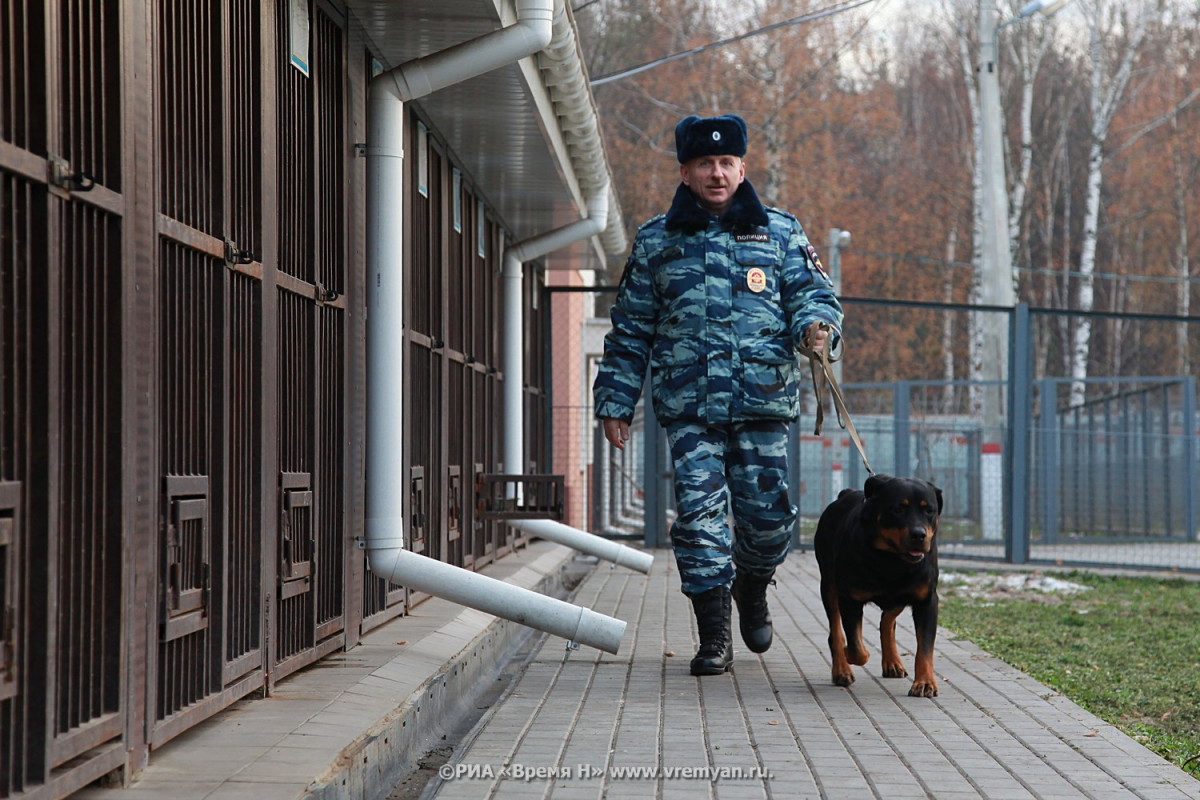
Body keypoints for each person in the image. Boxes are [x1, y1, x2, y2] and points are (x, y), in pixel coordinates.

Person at [593, 113, 843, 676]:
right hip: (690, 410)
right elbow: (632, 327)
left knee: (771, 521)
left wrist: (817, 330)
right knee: (700, 522)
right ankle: (713, 639)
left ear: (742, 168)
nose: (716, 173)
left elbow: (814, 296)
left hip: (762, 405)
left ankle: (752, 587)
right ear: (685, 171)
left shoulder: (779, 232)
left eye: (726, 162)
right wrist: (614, 400)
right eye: (704, 163)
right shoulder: (658, 240)